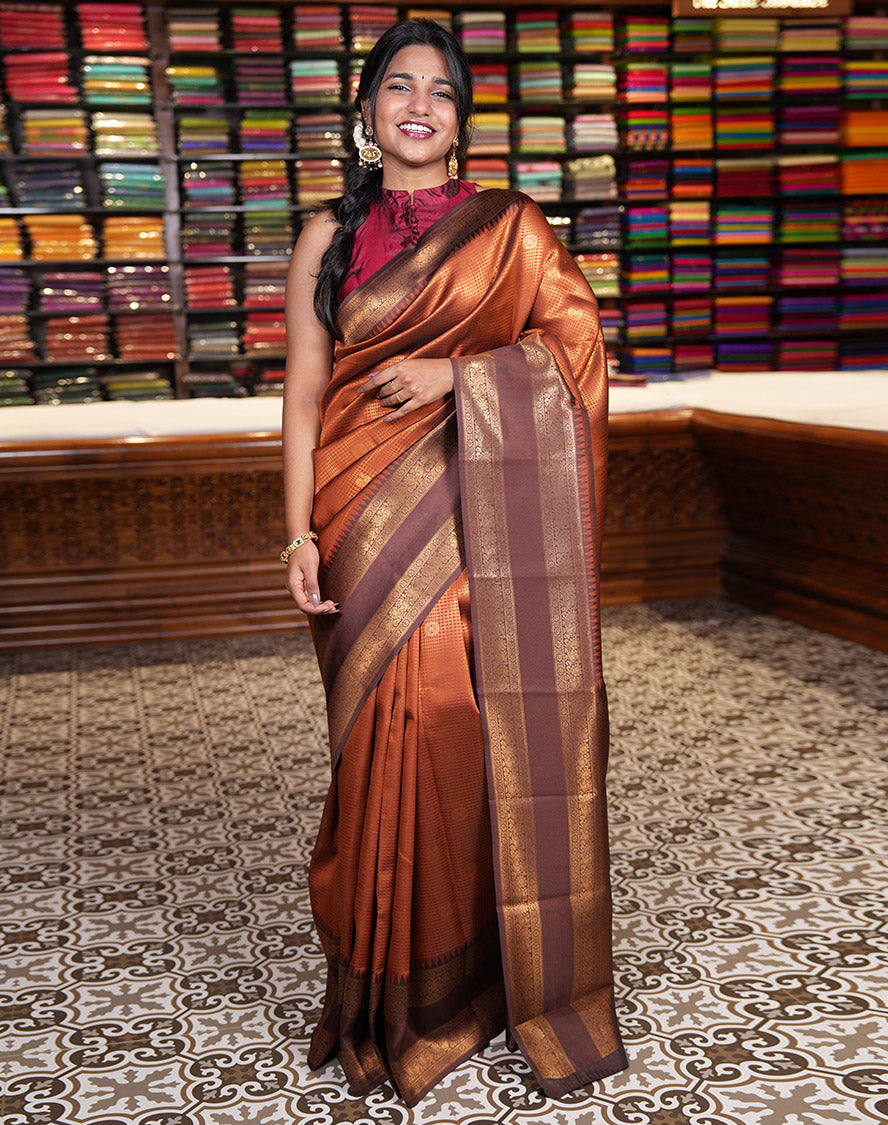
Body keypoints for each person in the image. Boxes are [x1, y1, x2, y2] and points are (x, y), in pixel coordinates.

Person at [281, 17, 627, 1106]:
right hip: (354, 507)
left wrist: (459, 376)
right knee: (371, 744)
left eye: (439, 89)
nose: (419, 104)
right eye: (399, 85)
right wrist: (295, 532)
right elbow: (301, 396)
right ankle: (377, 980)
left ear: (461, 117)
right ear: (366, 109)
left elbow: (577, 346)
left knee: (450, 721)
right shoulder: (324, 235)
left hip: (473, 507)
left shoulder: (511, 228)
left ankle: (462, 976)